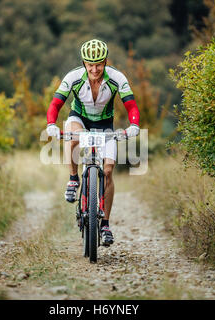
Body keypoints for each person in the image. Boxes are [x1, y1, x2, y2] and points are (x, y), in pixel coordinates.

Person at [46, 39, 140, 246]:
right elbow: (55, 103)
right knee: (73, 135)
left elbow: (132, 106)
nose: (95, 69)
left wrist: (134, 125)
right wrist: (51, 123)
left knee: (107, 171)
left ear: (105, 61)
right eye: (90, 64)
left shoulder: (117, 78)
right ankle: (73, 179)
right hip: (79, 118)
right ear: (84, 63)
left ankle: (105, 223)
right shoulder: (72, 77)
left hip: (105, 124)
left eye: (99, 64)